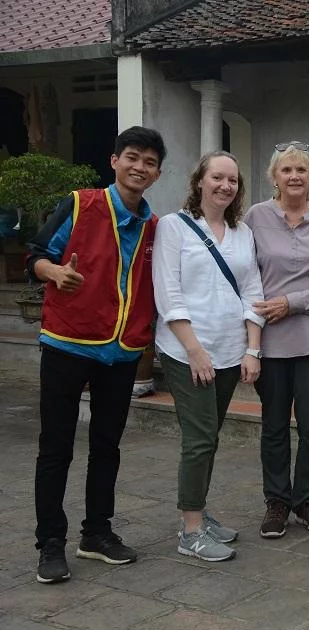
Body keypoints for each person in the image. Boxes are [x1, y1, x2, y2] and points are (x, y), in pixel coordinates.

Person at [27, 126, 165, 583]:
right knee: (56, 448)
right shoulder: (81, 203)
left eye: (148, 161)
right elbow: (35, 255)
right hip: (69, 341)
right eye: (132, 157)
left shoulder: (153, 227)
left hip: (122, 351)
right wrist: (53, 272)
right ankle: (50, 542)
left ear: (157, 172)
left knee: (107, 446)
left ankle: (96, 533)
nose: (139, 167)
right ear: (114, 160)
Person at [153, 151, 265, 562]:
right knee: (199, 440)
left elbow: (253, 290)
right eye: (217, 177)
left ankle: (199, 510)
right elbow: (169, 294)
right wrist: (195, 351)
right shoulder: (173, 227)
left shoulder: (241, 232)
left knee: (209, 437)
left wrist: (252, 348)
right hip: (187, 353)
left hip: (230, 350)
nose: (225, 185)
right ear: (200, 180)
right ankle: (191, 530)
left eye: (232, 180)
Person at [244, 141, 309, 538]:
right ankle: (276, 502)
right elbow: (243, 272)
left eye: (301, 171)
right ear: (274, 176)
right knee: (273, 425)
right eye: (286, 170)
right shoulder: (255, 217)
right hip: (269, 342)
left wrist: (293, 302)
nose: (293, 177)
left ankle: (306, 500)